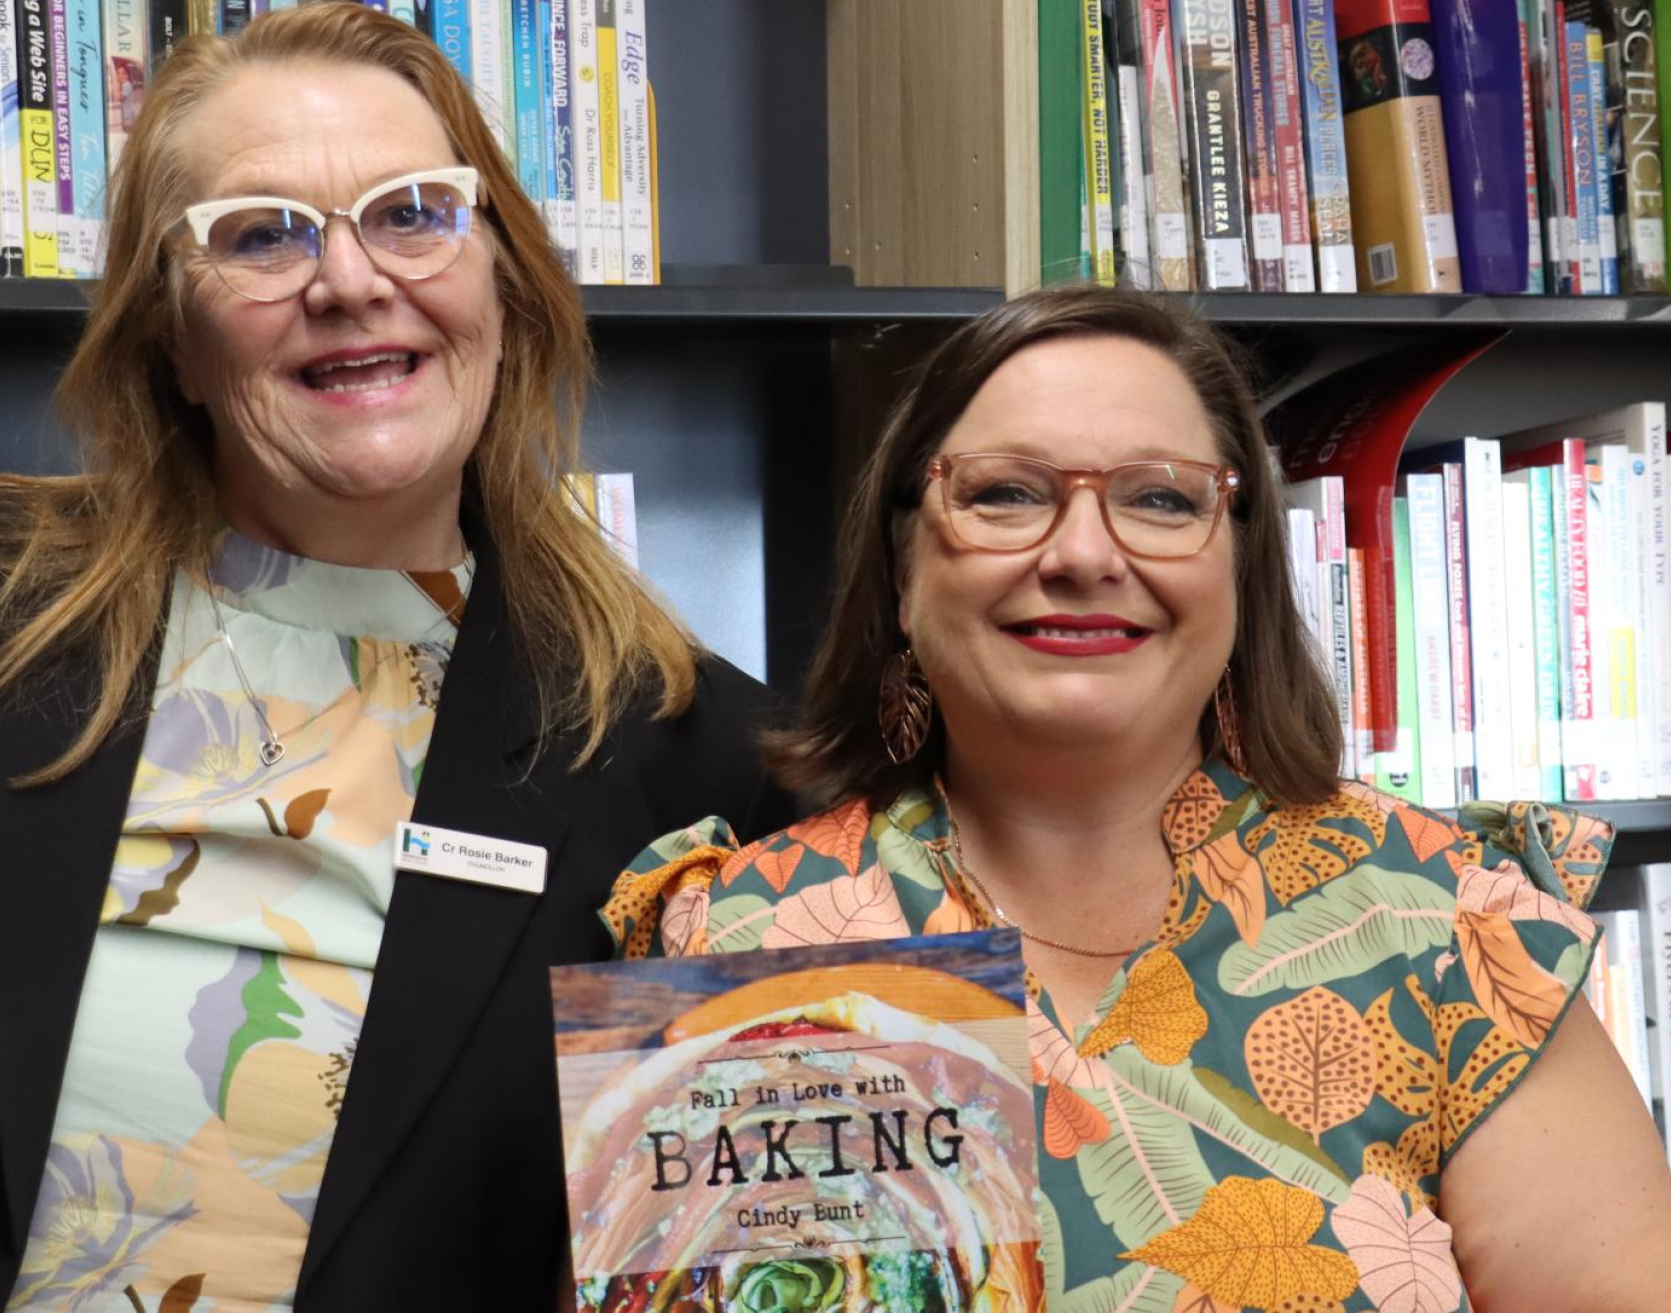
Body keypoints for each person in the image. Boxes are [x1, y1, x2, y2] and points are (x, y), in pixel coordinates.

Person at [0, 2, 793, 1311]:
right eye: (261, 234)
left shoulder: (697, 766)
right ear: (170, 333)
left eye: (411, 212)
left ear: (503, 278)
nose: (349, 282)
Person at [602, 287, 1671, 1311]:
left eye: (1159, 498)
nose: (1079, 553)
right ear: (899, 569)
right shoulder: (743, 946)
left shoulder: (1449, 933)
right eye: (1004, 493)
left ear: (1240, 571)